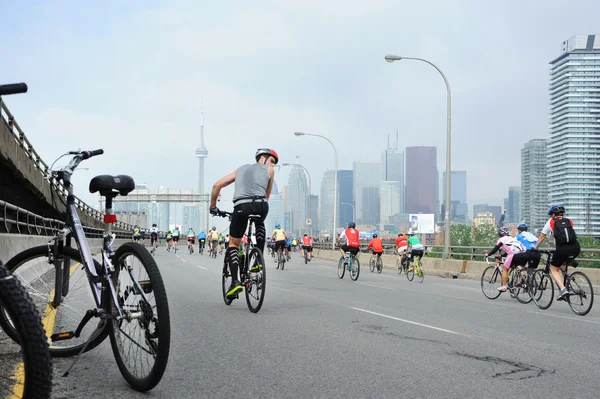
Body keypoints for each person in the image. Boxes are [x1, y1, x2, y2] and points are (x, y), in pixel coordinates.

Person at [210, 148, 277, 299]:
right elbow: (267, 195)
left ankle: (235, 282)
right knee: (260, 222)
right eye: (271, 161)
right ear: (262, 159)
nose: (272, 165)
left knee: (233, 244)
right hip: (261, 205)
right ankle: (258, 259)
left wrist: (213, 207)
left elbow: (216, 186)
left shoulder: (240, 170)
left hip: (241, 207)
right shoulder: (270, 171)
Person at [534, 205, 580, 300]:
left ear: (553, 215)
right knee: (563, 266)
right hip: (576, 248)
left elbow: (542, 236)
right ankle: (569, 287)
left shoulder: (551, 222)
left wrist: (536, 247)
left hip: (562, 249)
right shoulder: (569, 221)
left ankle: (563, 290)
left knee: (554, 269)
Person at [484, 227, 527, 292]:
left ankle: (504, 287)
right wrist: (502, 255)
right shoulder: (512, 238)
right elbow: (509, 249)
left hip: (513, 255)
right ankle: (522, 278)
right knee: (515, 265)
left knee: (505, 268)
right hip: (523, 253)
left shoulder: (501, 239)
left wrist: (488, 254)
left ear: (500, 234)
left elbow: (495, 249)